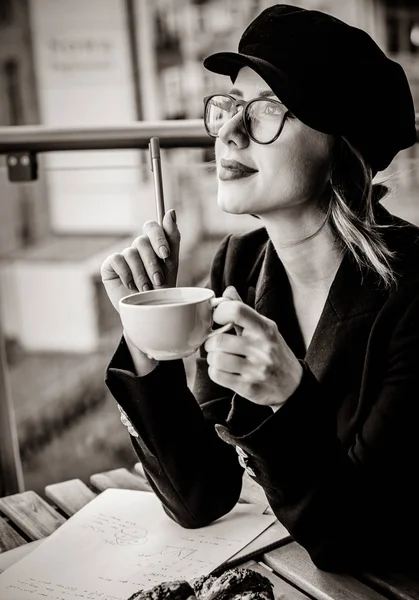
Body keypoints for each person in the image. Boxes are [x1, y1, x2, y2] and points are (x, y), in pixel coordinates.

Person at [101, 5, 419, 573]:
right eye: (229, 106)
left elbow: (365, 540)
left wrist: (289, 401)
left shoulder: (415, 293)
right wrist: (149, 337)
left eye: (269, 109)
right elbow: (202, 496)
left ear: (341, 147)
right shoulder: (240, 267)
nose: (229, 130)